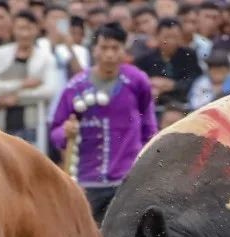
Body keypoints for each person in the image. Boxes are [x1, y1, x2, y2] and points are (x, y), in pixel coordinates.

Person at [50, 23, 157, 223]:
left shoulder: (136, 81)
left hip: (127, 179)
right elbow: (56, 132)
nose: (109, 54)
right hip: (87, 180)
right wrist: (65, 131)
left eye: (115, 48)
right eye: (104, 48)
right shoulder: (75, 87)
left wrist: (146, 164)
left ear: (123, 51)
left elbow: (149, 126)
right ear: (94, 50)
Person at [0, 10, 56, 142]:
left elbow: (48, 91)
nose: (25, 34)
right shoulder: (0, 53)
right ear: (13, 29)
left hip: (32, 123)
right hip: (2, 121)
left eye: (29, 28)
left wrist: (15, 98)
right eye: (20, 28)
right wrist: (22, 84)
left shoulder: (46, 58)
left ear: (36, 30)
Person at [134, 18, 203, 106]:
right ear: (157, 36)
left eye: (175, 37)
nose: (171, 41)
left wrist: (173, 85)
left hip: (182, 102)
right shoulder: (145, 59)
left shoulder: (189, 55)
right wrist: (151, 83)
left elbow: (196, 79)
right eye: (166, 37)